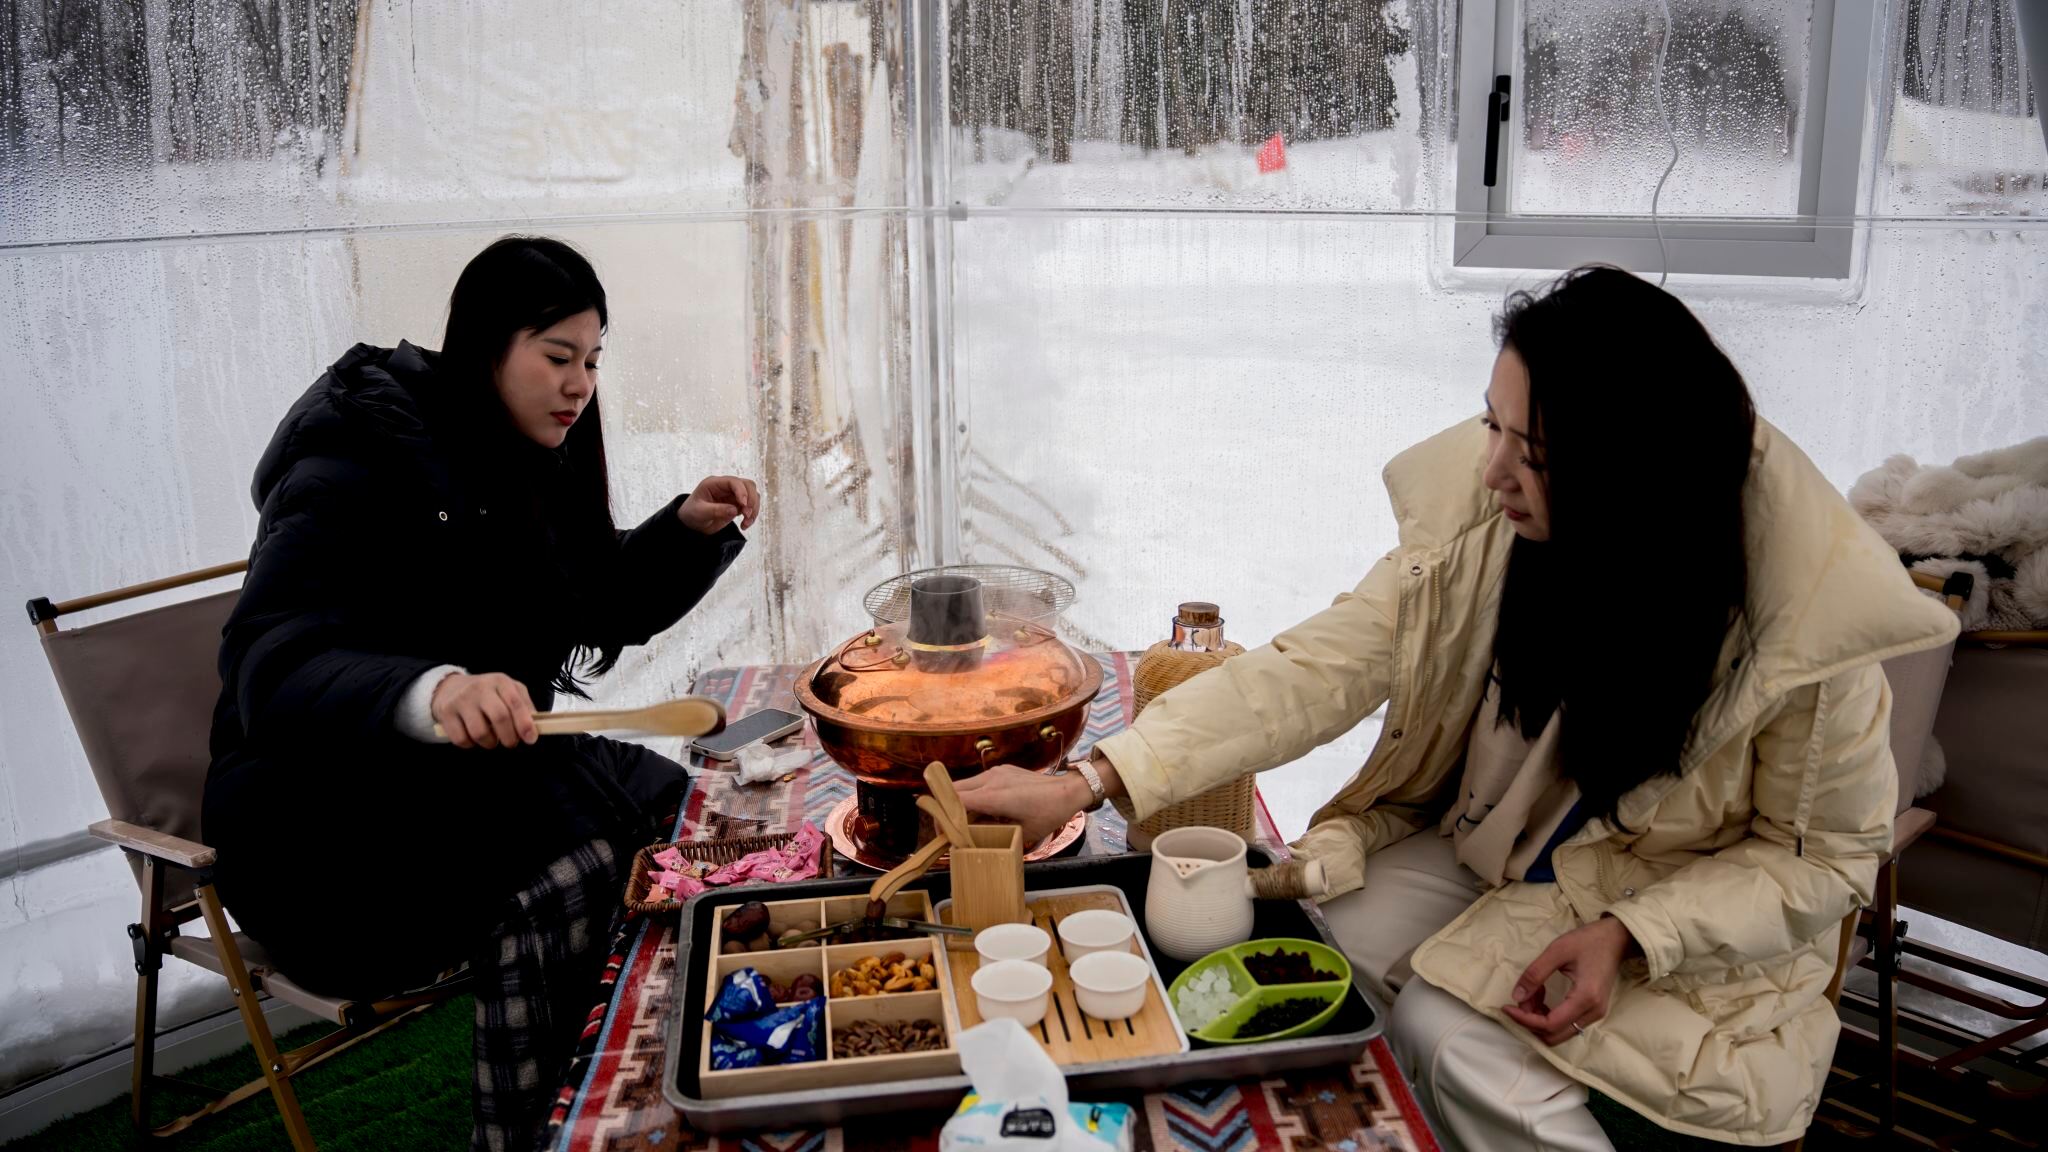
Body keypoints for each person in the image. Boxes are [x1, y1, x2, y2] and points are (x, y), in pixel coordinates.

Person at [958, 266, 1958, 1149]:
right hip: (1495, 855)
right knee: (1313, 943)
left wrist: (1634, 936)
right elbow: (1313, 669)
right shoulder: (1487, 533)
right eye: (1492, 425)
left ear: (1631, 475)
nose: (1490, 473)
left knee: (1443, 1033)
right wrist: (1090, 778)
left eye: (1531, 450)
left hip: (1667, 919)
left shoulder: (1798, 634)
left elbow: (1820, 861)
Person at [203, 236, 758, 1151]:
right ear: (486, 345)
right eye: (556, 357)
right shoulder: (356, 456)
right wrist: (432, 689)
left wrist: (684, 533)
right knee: (573, 869)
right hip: (322, 827)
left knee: (681, 812)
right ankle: (531, 1132)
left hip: (459, 782)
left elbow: (590, 601)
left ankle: (652, 1076)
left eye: (591, 361)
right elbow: (272, 661)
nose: (579, 385)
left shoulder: (522, 451)